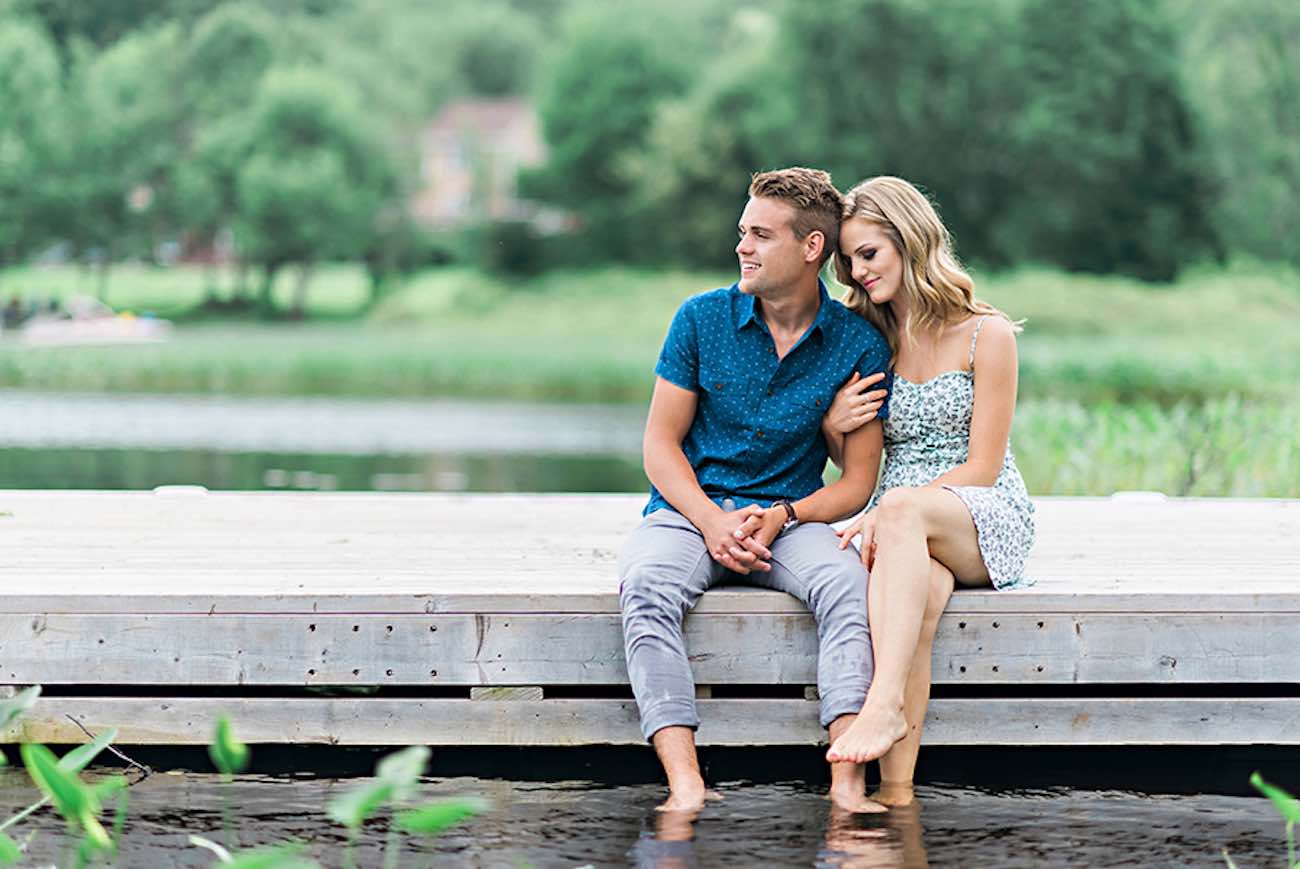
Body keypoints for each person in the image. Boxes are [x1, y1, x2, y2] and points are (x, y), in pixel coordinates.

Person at [619, 167, 893, 813]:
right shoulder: (700, 318)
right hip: (689, 512)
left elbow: (857, 482)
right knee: (646, 587)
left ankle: (847, 784)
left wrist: (781, 514)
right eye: (743, 231)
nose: (742, 245)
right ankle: (686, 785)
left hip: (790, 521)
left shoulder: (859, 343)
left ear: (811, 248)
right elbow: (660, 446)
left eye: (761, 235)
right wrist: (712, 521)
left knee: (852, 587)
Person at [821, 176, 1035, 805]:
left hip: (981, 514)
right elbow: (856, 462)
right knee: (916, 616)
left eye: (869, 254)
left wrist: (894, 510)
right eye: (849, 260)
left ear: (910, 241)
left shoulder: (984, 334)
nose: (858, 273)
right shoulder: (868, 337)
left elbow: (985, 465)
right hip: (902, 527)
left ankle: (882, 702)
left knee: (902, 510)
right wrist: (835, 429)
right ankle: (897, 798)